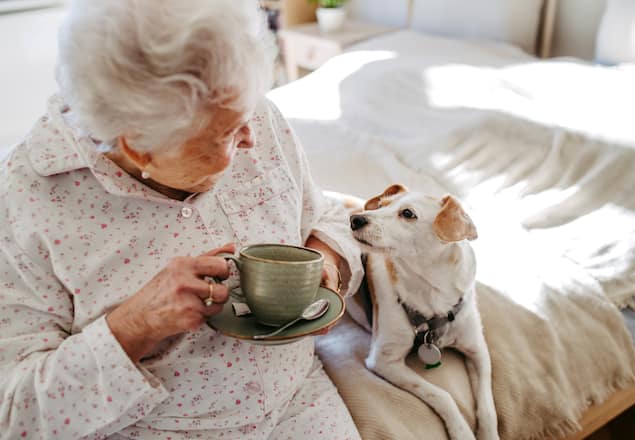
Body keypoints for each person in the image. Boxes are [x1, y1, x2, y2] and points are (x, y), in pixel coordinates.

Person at [0, 1, 363, 438]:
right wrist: (135, 325)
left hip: (299, 405)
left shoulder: (248, 110)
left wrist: (324, 265)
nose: (253, 136)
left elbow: (327, 213)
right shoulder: (27, 200)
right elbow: (16, 414)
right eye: (226, 134)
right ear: (139, 149)